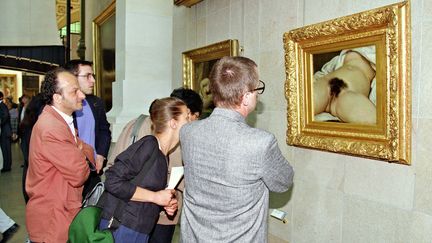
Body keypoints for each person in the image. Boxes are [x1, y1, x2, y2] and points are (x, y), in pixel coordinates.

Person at [179, 56, 294, 242]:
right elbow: (283, 182)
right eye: (257, 89)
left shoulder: (188, 132)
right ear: (246, 97)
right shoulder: (260, 143)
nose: (258, 95)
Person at [106, 88, 203, 243]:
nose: (192, 123)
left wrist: (166, 200)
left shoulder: (162, 153)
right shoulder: (150, 144)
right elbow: (112, 180)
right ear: (173, 122)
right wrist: (156, 197)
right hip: (125, 223)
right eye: (187, 117)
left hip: (141, 224)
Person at [26, 68, 95, 243]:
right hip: (53, 222)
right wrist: (80, 151)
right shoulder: (52, 128)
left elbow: (89, 153)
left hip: (63, 214)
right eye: (74, 91)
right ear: (57, 98)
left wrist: (79, 149)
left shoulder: (61, 122)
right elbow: (80, 173)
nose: (82, 95)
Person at [65, 60, 112, 197]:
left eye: (93, 76)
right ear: (72, 78)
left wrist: (101, 155)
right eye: (87, 76)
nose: (92, 80)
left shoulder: (96, 103)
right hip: (71, 174)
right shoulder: (62, 105)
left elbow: (104, 130)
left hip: (93, 172)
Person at [313, 46, 376, 124]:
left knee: (372, 121)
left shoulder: (377, 56)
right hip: (326, 85)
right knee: (300, 106)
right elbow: (324, 71)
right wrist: (317, 79)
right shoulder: (340, 57)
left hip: (348, 93)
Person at [0, 92, 12, 173]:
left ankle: (6, 166)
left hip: (5, 130)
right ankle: (6, 165)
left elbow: (5, 115)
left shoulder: (2, 105)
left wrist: (0, 123)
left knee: (5, 149)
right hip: (4, 130)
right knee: (5, 149)